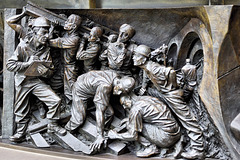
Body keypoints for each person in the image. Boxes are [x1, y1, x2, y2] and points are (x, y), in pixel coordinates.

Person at [132, 44, 205, 159]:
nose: (133, 58)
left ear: (143, 58)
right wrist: (144, 88)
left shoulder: (153, 68)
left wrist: (173, 86)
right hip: (164, 94)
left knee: (187, 119)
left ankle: (198, 149)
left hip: (172, 95)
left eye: (136, 55)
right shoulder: (146, 68)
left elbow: (171, 72)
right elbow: (148, 77)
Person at [6, 17, 67, 142]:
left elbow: (50, 71)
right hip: (23, 81)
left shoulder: (46, 49)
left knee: (55, 100)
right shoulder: (23, 46)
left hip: (36, 82)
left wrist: (46, 73)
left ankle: (53, 125)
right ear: (34, 32)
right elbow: (10, 65)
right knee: (21, 108)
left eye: (47, 32)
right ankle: (20, 133)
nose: (46, 36)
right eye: (43, 33)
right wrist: (27, 64)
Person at [65, 70, 135, 152]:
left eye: (123, 91)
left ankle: (103, 131)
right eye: (120, 89)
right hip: (80, 90)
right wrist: (99, 135)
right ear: (119, 82)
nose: (119, 93)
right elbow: (99, 111)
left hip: (91, 87)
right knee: (78, 119)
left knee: (110, 113)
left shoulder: (115, 76)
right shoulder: (105, 87)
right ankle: (68, 130)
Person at [108, 93, 181, 158]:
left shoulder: (135, 109)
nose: (124, 107)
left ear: (130, 98)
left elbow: (133, 135)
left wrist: (116, 135)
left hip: (166, 137)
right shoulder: (146, 98)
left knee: (131, 126)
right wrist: (130, 119)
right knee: (133, 123)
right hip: (176, 132)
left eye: (124, 103)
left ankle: (151, 148)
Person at [49, 14, 82, 106]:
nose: (65, 23)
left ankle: (73, 112)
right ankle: (60, 104)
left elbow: (49, 42)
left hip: (70, 69)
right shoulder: (66, 34)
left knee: (70, 94)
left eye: (68, 22)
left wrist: (52, 27)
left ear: (74, 26)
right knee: (53, 85)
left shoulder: (74, 39)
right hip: (61, 67)